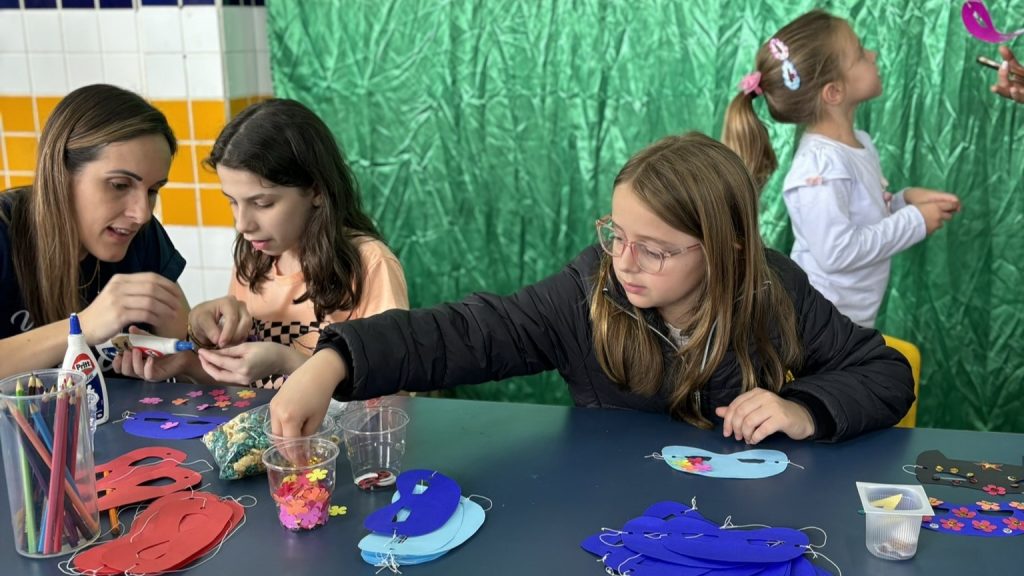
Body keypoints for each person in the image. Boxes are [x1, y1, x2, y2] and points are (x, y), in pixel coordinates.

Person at [269, 132, 915, 445]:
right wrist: (336, 358)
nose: (626, 262)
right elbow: (466, 333)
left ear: (728, 251)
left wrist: (803, 408)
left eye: (656, 249)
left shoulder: (775, 292)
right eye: (617, 234)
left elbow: (885, 373)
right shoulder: (590, 291)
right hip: (614, 528)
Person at [114, 99, 408, 387]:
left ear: (316, 190)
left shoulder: (370, 264)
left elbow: (393, 389)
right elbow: (245, 387)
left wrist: (287, 361)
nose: (243, 224)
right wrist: (188, 363)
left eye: (263, 203)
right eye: (233, 202)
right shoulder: (253, 261)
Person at [721, 9, 961, 328]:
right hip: (822, 328)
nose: (873, 54)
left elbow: (863, 216)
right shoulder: (819, 168)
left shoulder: (857, 143)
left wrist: (904, 200)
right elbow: (838, 252)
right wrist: (914, 222)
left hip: (850, 320)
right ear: (833, 92)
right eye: (861, 54)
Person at [0, 84, 187, 379]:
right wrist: (83, 326)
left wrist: (205, 337)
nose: (141, 213)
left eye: (152, 190)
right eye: (119, 185)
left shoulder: (142, 236)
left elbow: (184, 352)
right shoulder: (4, 231)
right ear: (60, 174)